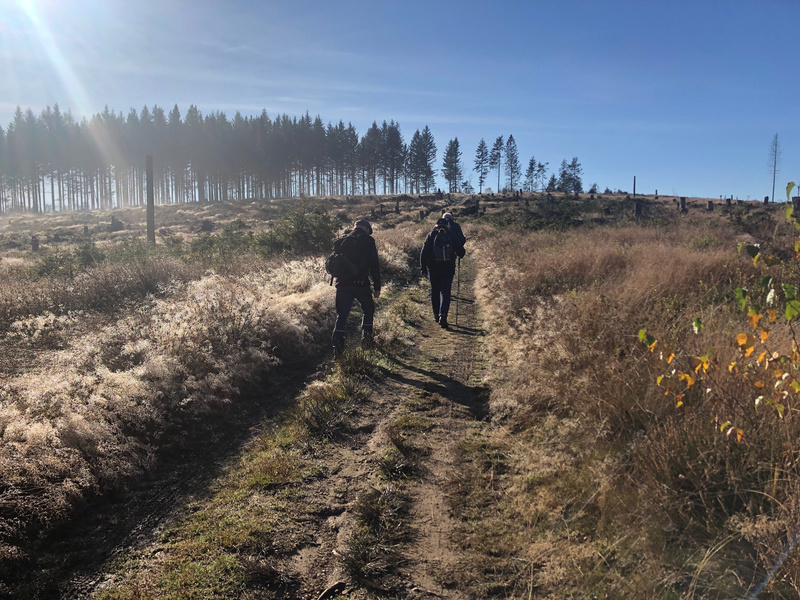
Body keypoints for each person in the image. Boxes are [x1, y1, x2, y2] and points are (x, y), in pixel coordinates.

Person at [331, 219, 381, 355]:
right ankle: (366, 340)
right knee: (368, 309)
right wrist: (377, 286)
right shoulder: (368, 241)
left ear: (355, 227)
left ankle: (337, 348)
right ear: (366, 229)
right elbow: (374, 265)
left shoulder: (342, 240)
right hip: (361, 283)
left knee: (341, 316)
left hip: (342, 284)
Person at [420, 212, 466, 329]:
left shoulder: (431, 234)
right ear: (448, 224)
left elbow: (423, 253)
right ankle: (443, 315)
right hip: (448, 268)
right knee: (446, 292)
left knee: (434, 291)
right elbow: (461, 251)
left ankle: (436, 315)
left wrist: (423, 269)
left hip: (433, 268)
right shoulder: (450, 233)